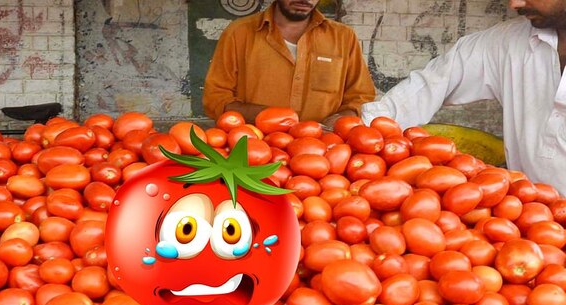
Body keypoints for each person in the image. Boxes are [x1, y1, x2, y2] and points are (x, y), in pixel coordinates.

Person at [361, 0, 566, 193]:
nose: (514, 3)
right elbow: (431, 83)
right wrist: (363, 132)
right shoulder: (508, 42)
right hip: (527, 218)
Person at [203, 0, 376, 130]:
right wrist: (270, 117)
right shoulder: (239, 33)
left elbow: (360, 96)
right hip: (253, 149)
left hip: (324, 155)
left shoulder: (343, 37)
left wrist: (343, 118)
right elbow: (216, 97)